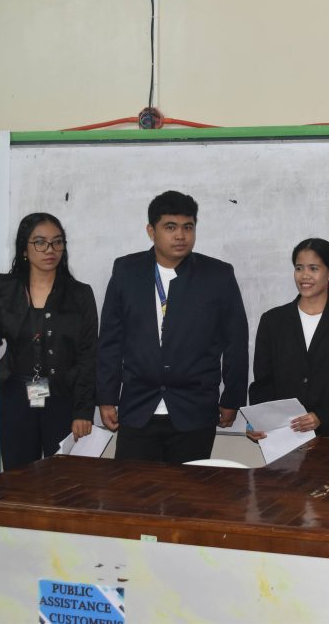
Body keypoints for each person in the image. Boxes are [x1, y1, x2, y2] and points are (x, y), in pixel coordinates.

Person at [96, 190, 249, 464]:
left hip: (194, 409)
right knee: (133, 488)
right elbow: (110, 340)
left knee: (188, 490)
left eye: (187, 227)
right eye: (170, 227)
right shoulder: (126, 271)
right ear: (151, 231)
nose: (180, 235)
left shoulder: (217, 276)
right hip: (138, 407)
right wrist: (107, 397)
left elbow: (235, 341)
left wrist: (232, 398)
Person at [0, 213, 98, 471]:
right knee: (18, 476)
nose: (50, 249)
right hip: (14, 395)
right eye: (40, 242)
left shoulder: (80, 294)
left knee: (62, 478)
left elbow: (88, 354)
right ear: (24, 248)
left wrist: (83, 411)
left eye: (57, 242)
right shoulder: (4, 287)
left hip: (62, 397)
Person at [247, 238, 329, 439]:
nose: (304, 275)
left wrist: (322, 416)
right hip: (280, 436)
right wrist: (258, 420)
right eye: (299, 268)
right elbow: (263, 383)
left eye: (314, 268)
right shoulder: (272, 321)